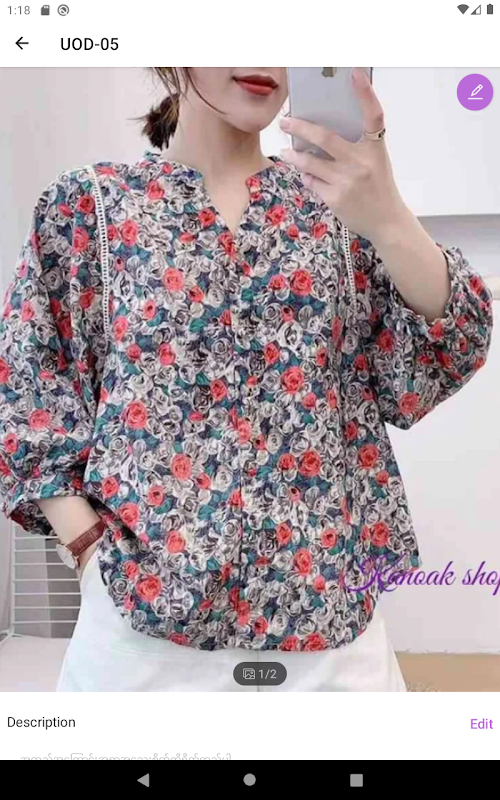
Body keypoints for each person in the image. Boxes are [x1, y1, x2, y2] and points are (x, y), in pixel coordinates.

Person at [0, 67, 493, 692]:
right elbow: (28, 391)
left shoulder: (341, 209)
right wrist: (87, 547)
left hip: (332, 653)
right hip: (141, 647)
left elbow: (441, 356)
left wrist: (389, 213)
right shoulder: (89, 208)